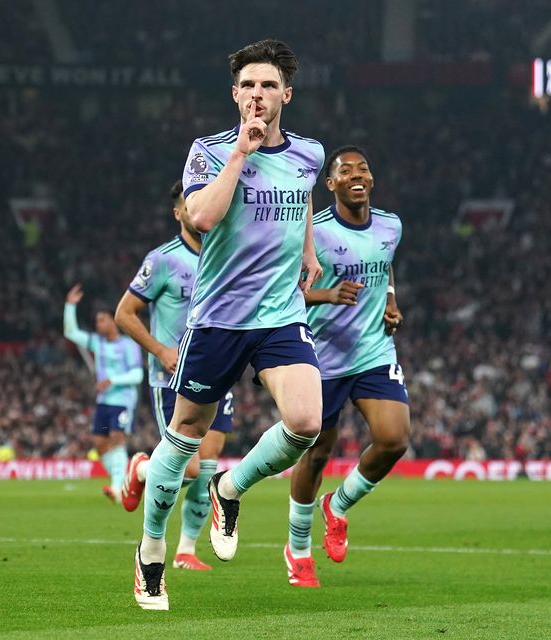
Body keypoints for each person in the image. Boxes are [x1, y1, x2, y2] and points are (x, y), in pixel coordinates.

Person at [133, 38, 325, 610]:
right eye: (248, 86)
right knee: (185, 435)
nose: (258, 95)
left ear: (286, 94)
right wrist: (241, 154)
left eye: (268, 86)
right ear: (234, 94)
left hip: (278, 316)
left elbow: (303, 199)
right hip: (218, 318)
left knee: (306, 421)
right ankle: (149, 553)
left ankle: (229, 486)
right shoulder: (209, 151)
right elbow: (201, 216)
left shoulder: (309, 153)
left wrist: (309, 249)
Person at [284, 146, 410, 587]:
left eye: (363, 168)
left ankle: (337, 506)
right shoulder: (312, 234)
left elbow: (385, 267)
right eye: (345, 171)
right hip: (322, 357)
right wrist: (327, 295)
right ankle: (298, 549)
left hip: (374, 351)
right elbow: (279, 290)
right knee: (317, 453)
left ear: (371, 179)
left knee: (394, 439)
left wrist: (391, 303)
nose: (356, 175)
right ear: (331, 184)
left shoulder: (391, 225)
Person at [115, 179, 235, 572]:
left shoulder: (227, 256)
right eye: (190, 203)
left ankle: (186, 549)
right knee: (190, 466)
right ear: (180, 212)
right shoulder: (163, 259)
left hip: (219, 370)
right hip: (172, 378)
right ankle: (142, 469)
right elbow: (124, 314)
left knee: (210, 462)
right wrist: (162, 350)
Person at [63, 285, 143, 502]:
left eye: (101, 320)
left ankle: (117, 488)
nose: (98, 325)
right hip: (104, 401)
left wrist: (112, 380)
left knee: (117, 439)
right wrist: (70, 306)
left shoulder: (128, 345)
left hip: (123, 400)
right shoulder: (97, 343)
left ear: (112, 320)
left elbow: (137, 375)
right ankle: (123, 480)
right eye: (97, 321)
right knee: (99, 444)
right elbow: (70, 332)